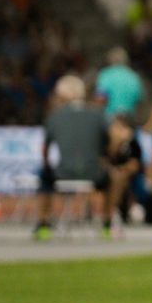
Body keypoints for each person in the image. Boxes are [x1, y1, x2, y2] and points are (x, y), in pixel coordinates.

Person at [38, 75, 108, 240]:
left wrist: (47, 166)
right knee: (112, 177)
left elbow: (44, 149)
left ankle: (43, 224)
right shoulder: (97, 115)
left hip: (63, 173)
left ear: (63, 96)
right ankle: (108, 222)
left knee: (43, 176)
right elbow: (107, 144)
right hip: (93, 174)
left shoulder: (55, 116)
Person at [95, 47, 144, 121]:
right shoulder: (134, 76)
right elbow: (140, 100)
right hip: (129, 119)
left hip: (109, 118)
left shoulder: (106, 74)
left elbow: (101, 98)